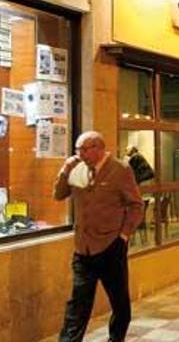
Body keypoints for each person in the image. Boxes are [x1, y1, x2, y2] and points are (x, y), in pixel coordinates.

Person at [54, 131, 143, 342]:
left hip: (110, 246)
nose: (80, 154)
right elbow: (58, 195)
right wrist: (65, 169)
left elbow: (136, 205)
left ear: (99, 148)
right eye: (78, 150)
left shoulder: (120, 170)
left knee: (119, 301)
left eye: (84, 149)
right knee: (78, 302)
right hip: (83, 248)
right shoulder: (77, 169)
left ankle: (116, 338)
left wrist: (123, 235)